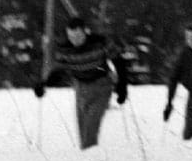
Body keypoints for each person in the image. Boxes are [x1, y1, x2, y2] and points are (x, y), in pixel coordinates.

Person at [34, 15, 128, 149]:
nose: (75, 40)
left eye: (78, 36)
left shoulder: (100, 43)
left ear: (85, 32)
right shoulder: (65, 49)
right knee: (83, 134)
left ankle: (92, 156)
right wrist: (43, 84)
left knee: (90, 128)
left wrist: (122, 87)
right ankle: (88, 156)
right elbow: (59, 72)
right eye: (71, 37)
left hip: (102, 87)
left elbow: (119, 62)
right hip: (81, 89)